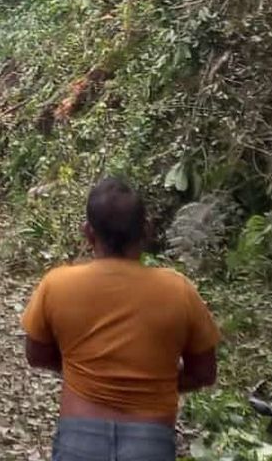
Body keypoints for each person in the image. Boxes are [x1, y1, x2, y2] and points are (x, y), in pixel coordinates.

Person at [22, 178, 220, 461]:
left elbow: (37, 354)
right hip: (150, 442)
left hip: (79, 438)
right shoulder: (179, 290)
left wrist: (85, 371)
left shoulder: (57, 285)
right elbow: (204, 372)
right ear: (146, 231)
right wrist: (156, 380)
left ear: (88, 233)